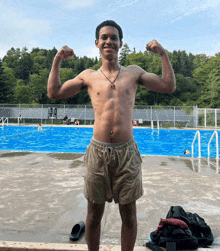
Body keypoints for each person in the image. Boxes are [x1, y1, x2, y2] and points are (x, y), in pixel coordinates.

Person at [47, 20, 176, 251]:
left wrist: (163, 54)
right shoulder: (88, 76)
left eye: (114, 37)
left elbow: (168, 86)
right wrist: (57, 60)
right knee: (94, 215)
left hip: (126, 152)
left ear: (120, 43)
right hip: (98, 152)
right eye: (104, 37)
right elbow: (54, 92)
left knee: (129, 215)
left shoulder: (134, 73)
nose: (109, 41)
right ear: (97, 43)